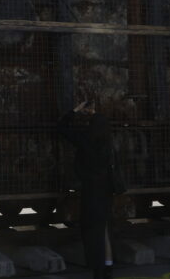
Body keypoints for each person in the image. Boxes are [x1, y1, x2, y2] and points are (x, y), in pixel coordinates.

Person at [58, 100, 119, 279]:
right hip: (106, 191)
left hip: (91, 191)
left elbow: (61, 127)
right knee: (105, 228)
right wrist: (94, 113)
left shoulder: (85, 140)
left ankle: (98, 270)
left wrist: (75, 110)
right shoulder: (108, 143)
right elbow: (102, 124)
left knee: (93, 232)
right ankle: (108, 267)